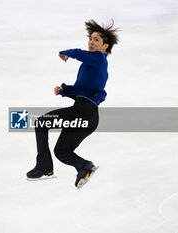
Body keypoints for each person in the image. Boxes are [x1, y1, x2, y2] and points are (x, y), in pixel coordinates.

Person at [27, 19, 119, 188]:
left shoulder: (98, 58)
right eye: (90, 38)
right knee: (61, 151)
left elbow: (78, 52)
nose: (91, 42)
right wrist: (64, 90)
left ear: (105, 46)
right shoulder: (92, 64)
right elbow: (83, 90)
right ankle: (84, 167)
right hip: (87, 115)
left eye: (96, 40)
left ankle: (43, 167)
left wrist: (65, 52)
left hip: (84, 112)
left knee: (41, 123)